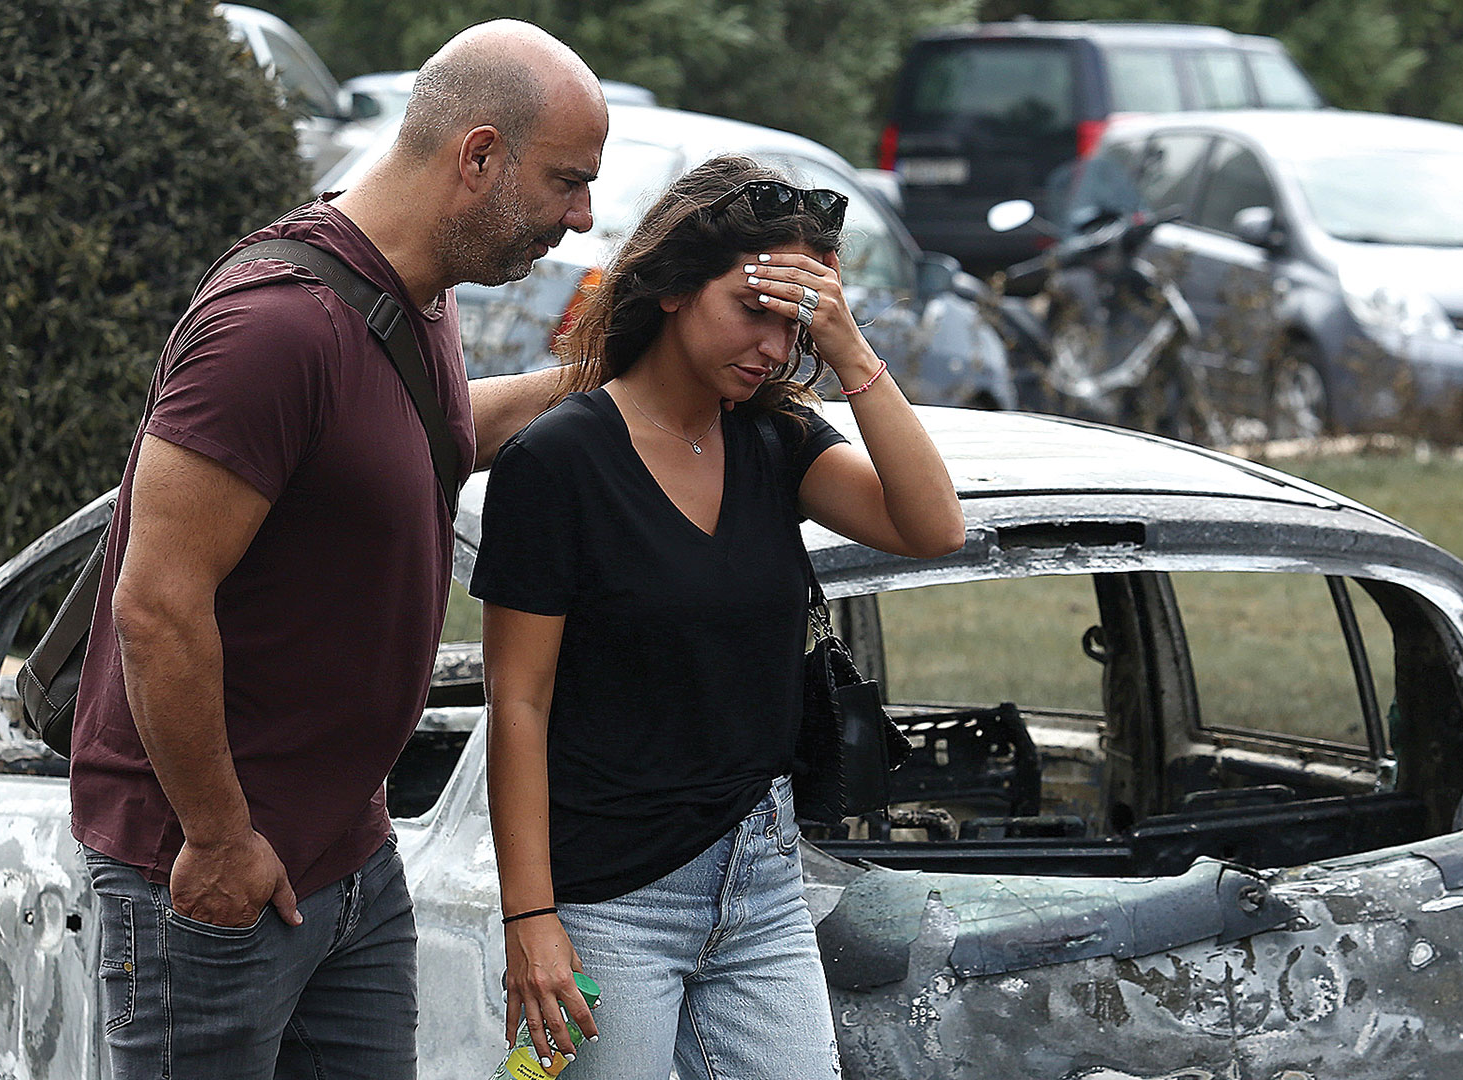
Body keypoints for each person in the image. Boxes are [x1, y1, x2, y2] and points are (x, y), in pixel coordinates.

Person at [66, 21, 607, 1080]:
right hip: (216, 876)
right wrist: (221, 841)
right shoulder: (275, 329)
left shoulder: (415, 299)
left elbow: (435, 439)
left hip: (350, 859)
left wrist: (608, 377)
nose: (581, 218)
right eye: (567, 182)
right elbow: (158, 605)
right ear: (479, 156)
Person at [471, 154, 967, 1079]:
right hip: (609, 898)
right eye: (754, 311)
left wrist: (850, 349)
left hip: (763, 880)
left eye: (795, 326)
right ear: (670, 289)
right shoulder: (559, 461)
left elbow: (934, 526)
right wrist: (530, 918)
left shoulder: (777, 440)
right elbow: (520, 703)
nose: (775, 349)